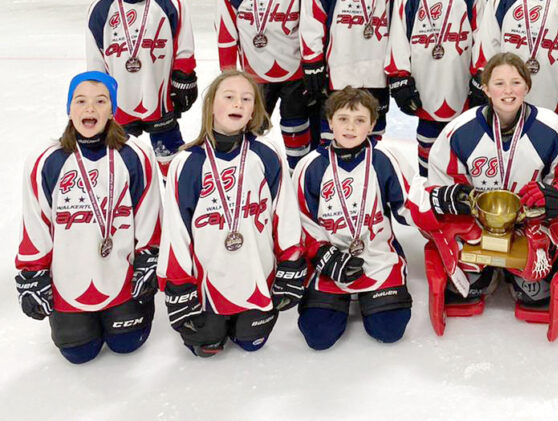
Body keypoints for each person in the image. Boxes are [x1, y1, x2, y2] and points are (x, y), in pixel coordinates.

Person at [16, 72, 162, 364]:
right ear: (69, 109)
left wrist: (149, 258)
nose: (90, 109)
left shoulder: (136, 154)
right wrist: (32, 273)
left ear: (113, 110)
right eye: (80, 101)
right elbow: (36, 223)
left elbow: (150, 213)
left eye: (100, 101)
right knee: (78, 352)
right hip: (68, 283)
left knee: (127, 343)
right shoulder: (46, 160)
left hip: (122, 277)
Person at [423, 54, 558, 333]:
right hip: (476, 223)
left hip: (530, 222)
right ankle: (483, 273)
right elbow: (438, 180)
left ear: (527, 86)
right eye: (499, 83)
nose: (508, 90)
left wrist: (556, 195)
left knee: (534, 291)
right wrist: (453, 197)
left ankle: (521, 271)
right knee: (468, 285)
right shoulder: (460, 130)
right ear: (484, 88)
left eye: (516, 82)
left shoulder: (553, 129)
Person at [158, 71, 304, 358]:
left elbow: (284, 215)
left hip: (256, 276)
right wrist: (178, 286)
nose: (238, 103)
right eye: (229, 97)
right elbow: (176, 230)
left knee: (252, 340)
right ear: (212, 105)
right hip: (207, 283)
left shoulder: (267, 155)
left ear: (253, 112)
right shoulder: (186, 162)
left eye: (246, 99)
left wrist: (291, 264)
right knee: (206, 344)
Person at [293, 88, 424, 349]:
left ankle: (373, 296)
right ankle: (337, 292)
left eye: (360, 120)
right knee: (318, 335)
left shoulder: (385, 158)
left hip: (376, 256)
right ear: (330, 121)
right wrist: (323, 255)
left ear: (372, 125)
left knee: (389, 329)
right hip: (330, 260)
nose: (350, 127)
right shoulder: (309, 166)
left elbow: (412, 203)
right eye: (343, 119)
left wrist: (440, 202)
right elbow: (301, 220)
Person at [86, 0, 198, 174]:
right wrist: (97, 98)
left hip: (160, 100)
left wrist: (184, 77)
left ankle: (175, 205)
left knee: (173, 166)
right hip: (120, 104)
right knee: (124, 169)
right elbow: (95, 62)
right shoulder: (100, 8)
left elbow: (184, 46)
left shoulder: (169, 1)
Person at [386, 0, 487, 175]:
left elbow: (483, 38)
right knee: (428, 139)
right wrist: (400, 79)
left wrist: (481, 76)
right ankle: (427, 187)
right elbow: (398, 36)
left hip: (460, 79)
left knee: (462, 139)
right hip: (425, 79)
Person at [301, 0, 404, 143]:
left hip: (377, 72)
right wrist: (312, 61)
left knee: (371, 133)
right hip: (339, 69)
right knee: (335, 132)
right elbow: (312, 19)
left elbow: (399, 29)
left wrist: (399, 71)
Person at [214, 0, 310, 169]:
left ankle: (296, 173)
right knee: (249, 126)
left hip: (295, 73)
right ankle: (246, 171)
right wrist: (229, 74)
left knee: (296, 126)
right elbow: (226, 30)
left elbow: (311, 30)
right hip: (253, 76)